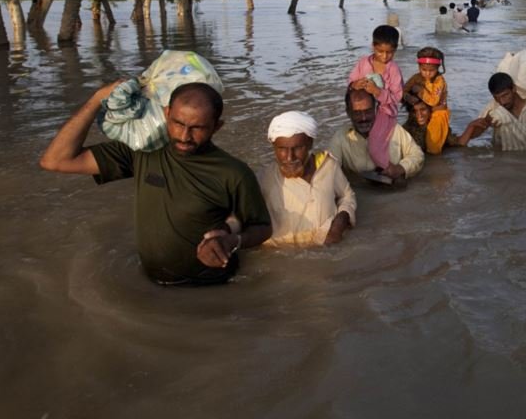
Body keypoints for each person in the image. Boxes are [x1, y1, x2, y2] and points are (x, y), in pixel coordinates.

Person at [39, 81, 272, 285]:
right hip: (152, 281)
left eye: (197, 128)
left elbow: (261, 227)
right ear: (166, 113)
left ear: (217, 126)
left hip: (211, 286)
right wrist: (97, 99)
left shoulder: (233, 172)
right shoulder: (142, 152)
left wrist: (231, 241)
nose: (184, 136)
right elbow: (55, 160)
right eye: (178, 123)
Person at [258, 111, 356, 247]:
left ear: (310, 143)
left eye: (297, 148)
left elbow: (347, 195)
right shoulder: (263, 178)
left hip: (326, 251)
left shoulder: (328, 166)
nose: (289, 157)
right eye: (282, 149)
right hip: (282, 254)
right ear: (274, 147)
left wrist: (339, 223)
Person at [326, 87, 424, 184]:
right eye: (357, 113)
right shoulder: (341, 137)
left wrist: (400, 168)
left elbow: (418, 155)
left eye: (368, 111)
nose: (363, 118)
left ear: (376, 109)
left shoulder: (393, 129)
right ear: (348, 112)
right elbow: (329, 171)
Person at [348, 25, 404, 170]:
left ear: (396, 50)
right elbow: (351, 82)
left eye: (389, 52)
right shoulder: (363, 63)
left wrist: (378, 92)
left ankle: (389, 168)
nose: (385, 56)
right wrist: (355, 84)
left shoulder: (394, 69)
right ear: (373, 46)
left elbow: (397, 96)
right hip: (366, 109)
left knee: (375, 146)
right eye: (381, 51)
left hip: (385, 111)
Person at [457, 72, 526, 151]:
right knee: (499, 114)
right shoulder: (494, 107)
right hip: (505, 157)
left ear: (514, 89)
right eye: (497, 98)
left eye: (505, 95)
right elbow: (473, 135)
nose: (502, 102)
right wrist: (486, 122)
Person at [402, 46, 451, 154]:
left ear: (437, 68)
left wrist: (420, 90)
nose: (427, 74)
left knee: (433, 148)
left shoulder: (439, 81)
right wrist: (408, 97)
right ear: (419, 67)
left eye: (431, 71)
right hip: (424, 110)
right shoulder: (417, 77)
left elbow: (433, 101)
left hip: (438, 113)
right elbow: (404, 90)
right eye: (424, 70)